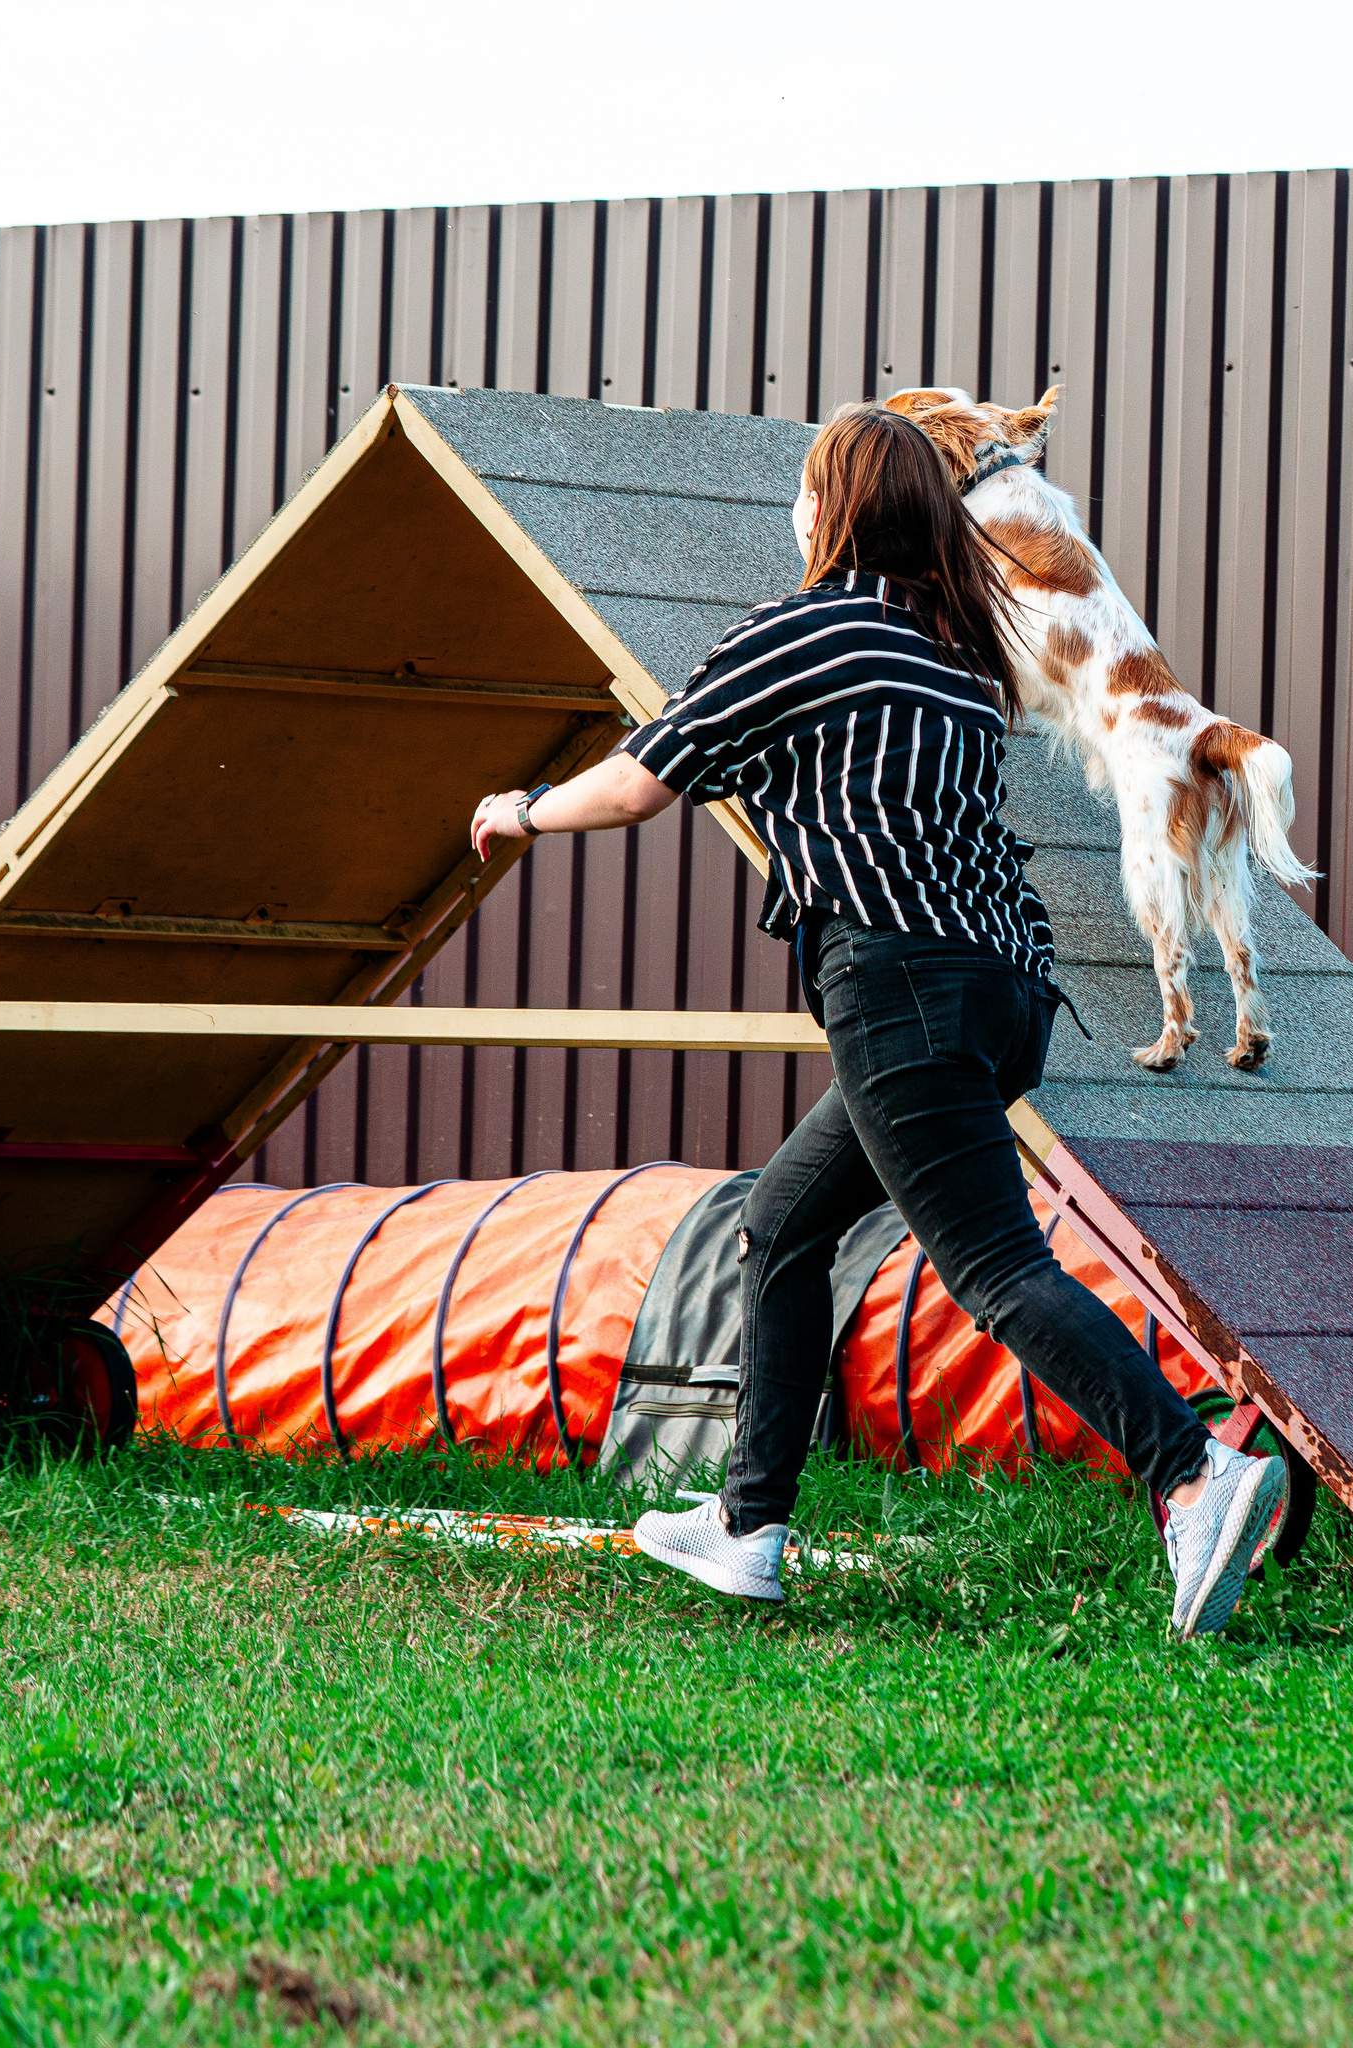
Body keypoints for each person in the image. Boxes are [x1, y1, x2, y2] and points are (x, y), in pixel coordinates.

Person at [469, 403, 1284, 1639]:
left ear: (834, 510)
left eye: (806, 491)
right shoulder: (959, 654)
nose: (792, 510)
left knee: (998, 1271)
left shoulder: (804, 633)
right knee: (782, 1222)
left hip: (900, 987)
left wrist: (523, 807)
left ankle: (1193, 1472)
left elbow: (643, 777)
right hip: (1006, 991)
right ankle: (750, 1526)